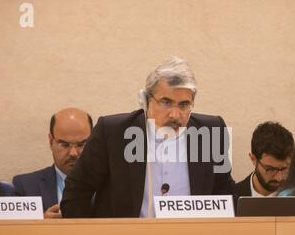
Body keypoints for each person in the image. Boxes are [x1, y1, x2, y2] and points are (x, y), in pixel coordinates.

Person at [61, 56, 235, 218]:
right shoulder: (114, 133)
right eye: (166, 102)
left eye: (184, 105)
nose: (175, 114)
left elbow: (224, 190)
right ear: (145, 101)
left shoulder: (211, 131)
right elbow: (77, 191)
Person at [12, 107, 93, 218]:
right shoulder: (26, 186)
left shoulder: (111, 185)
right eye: (64, 144)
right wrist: (40, 224)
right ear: (51, 141)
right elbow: (16, 232)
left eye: (81, 144)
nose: (73, 153)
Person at [235, 122, 294, 199]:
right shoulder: (232, 196)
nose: (279, 178)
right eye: (271, 169)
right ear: (253, 159)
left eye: (284, 168)